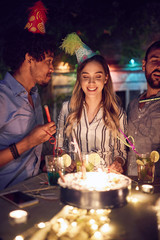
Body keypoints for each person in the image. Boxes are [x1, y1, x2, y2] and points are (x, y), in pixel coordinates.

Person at [0, 4, 56, 189]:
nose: (52, 68)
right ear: (29, 58)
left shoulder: (35, 95)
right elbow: (28, 142)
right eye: (48, 61)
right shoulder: (2, 98)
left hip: (34, 186)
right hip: (6, 195)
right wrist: (28, 142)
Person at [57, 33, 127, 174]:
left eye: (98, 76)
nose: (91, 83)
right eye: (86, 77)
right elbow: (60, 147)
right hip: (76, 180)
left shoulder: (117, 112)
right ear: (79, 79)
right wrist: (64, 159)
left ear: (106, 78)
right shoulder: (67, 108)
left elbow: (121, 152)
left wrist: (118, 163)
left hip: (105, 182)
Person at [127, 41, 160, 176]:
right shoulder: (132, 104)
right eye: (154, 60)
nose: (159, 66)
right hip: (130, 184)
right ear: (144, 65)